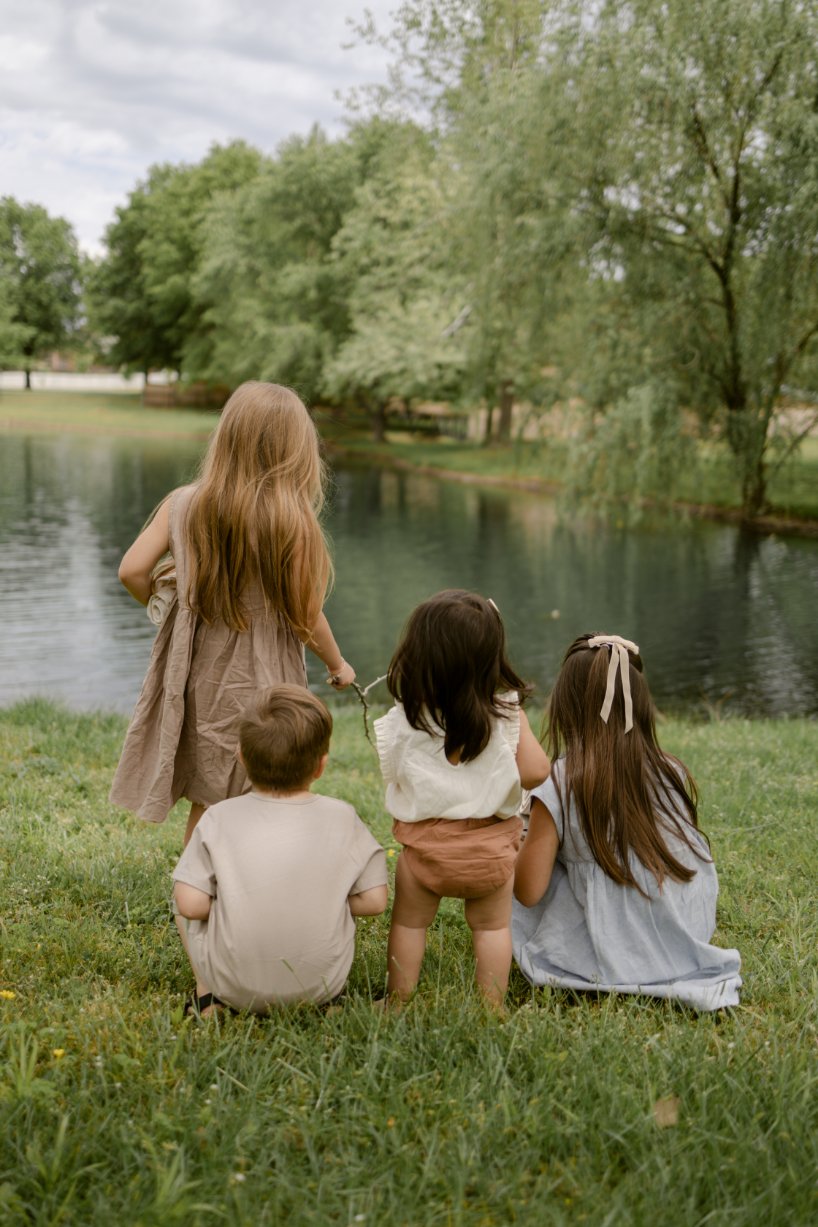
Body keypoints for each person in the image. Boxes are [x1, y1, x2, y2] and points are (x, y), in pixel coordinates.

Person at [110, 381, 356, 844]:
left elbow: (132, 571)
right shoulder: (292, 520)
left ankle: (197, 895)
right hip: (265, 672)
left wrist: (170, 610)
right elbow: (305, 615)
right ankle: (257, 887)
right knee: (267, 787)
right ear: (295, 451)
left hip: (199, 668)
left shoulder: (183, 503)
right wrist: (337, 665)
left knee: (209, 792)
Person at [513, 634, 742, 1011]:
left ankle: (595, 957)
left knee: (512, 861)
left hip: (606, 939)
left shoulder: (561, 781)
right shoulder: (671, 771)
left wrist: (514, 838)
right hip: (679, 924)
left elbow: (528, 891)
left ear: (566, 707)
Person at [374, 590, 550, 1007]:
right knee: (491, 930)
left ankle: (398, 1002)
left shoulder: (406, 717)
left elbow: (395, 773)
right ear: (492, 658)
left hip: (424, 855)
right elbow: (537, 771)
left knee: (410, 925)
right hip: (491, 851)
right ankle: (492, 1009)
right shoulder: (507, 713)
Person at [173, 684, 387, 1014]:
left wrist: (233, 905)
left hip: (233, 986)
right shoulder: (343, 817)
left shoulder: (217, 818)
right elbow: (374, 902)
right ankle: (328, 1005)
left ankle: (209, 999)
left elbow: (190, 905)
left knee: (183, 891)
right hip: (321, 985)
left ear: (242, 758)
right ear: (321, 766)